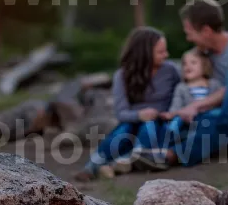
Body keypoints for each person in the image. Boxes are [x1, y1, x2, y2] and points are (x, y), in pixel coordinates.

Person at [133, 0, 228, 171]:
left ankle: (172, 155)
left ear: (206, 31)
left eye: (190, 33)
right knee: (208, 118)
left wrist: (195, 106)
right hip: (224, 119)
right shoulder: (204, 56)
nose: (188, 38)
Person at [73, 26, 180, 181]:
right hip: (132, 122)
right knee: (123, 130)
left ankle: (121, 163)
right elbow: (121, 113)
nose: (166, 55)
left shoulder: (171, 71)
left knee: (148, 127)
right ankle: (93, 166)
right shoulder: (122, 76)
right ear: (144, 53)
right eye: (161, 52)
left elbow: (181, 95)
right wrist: (139, 115)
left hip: (160, 122)